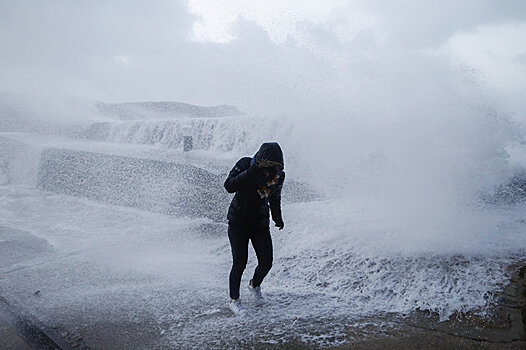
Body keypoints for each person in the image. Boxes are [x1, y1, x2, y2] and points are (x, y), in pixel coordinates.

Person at [224, 142, 285, 315]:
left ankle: (254, 285)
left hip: (260, 223)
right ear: (259, 163)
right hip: (238, 223)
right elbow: (228, 186)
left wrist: (277, 218)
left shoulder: (278, 176)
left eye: (272, 169)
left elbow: (275, 198)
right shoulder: (244, 165)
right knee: (239, 263)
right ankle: (234, 300)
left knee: (266, 262)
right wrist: (250, 173)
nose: (268, 173)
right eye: (265, 168)